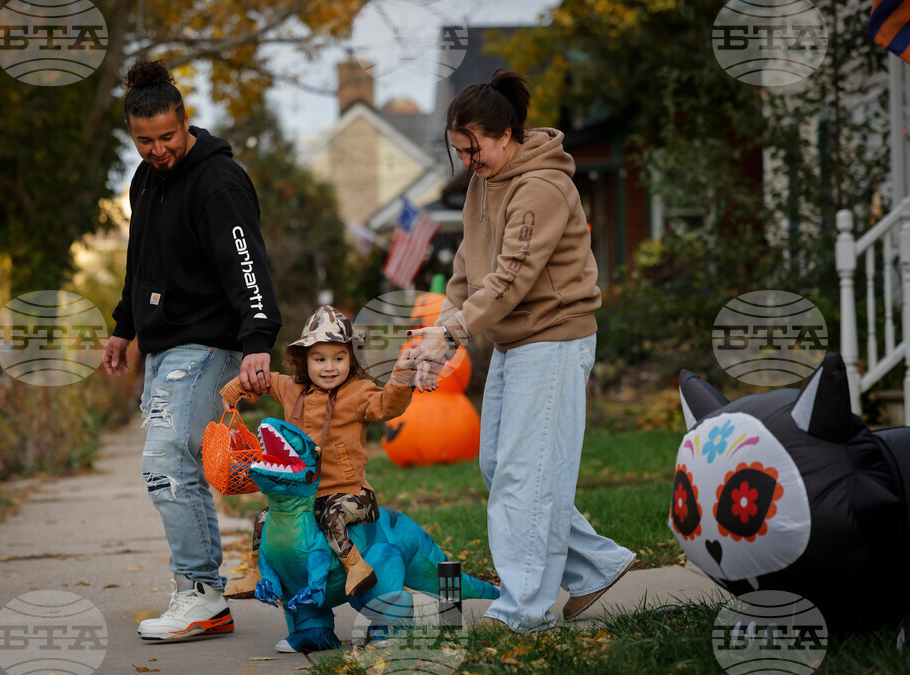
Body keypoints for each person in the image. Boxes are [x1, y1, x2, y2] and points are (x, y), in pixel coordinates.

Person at [407, 69, 636, 632]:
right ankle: (595, 566)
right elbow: (469, 264)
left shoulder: (543, 188)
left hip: (555, 337)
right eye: (459, 150)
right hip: (515, 339)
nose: (468, 160)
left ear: (506, 133)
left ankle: (526, 611)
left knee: (523, 476)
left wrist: (454, 333)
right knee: (503, 468)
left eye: (475, 148)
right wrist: (440, 335)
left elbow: (511, 278)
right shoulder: (486, 182)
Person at [102, 59, 282, 641]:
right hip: (166, 347)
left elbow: (248, 264)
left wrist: (258, 339)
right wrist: (123, 327)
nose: (157, 150)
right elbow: (141, 261)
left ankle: (200, 593)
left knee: (167, 461)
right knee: (176, 464)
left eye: (167, 137)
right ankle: (203, 593)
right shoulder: (145, 180)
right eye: (144, 140)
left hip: (208, 343)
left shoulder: (218, 181)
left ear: (187, 123)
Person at [219, 305, 415, 652]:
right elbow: (261, 382)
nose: (328, 367)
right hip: (303, 496)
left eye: (338, 358)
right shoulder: (290, 387)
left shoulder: (359, 393)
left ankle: (361, 574)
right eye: (319, 359)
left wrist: (401, 377)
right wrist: (235, 388)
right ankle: (278, 593)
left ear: (350, 361)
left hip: (350, 495)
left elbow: (388, 405)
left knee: (331, 517)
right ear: (303, 361)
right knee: (265, 519)